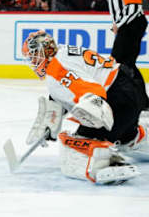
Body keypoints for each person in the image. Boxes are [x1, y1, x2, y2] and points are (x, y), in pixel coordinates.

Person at [21, 30, 146, 184]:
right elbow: (70, 87)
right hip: (131, 88)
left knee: (76, 143)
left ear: (44, 51)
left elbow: (93, 92)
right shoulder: (63, 51)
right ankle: (133, 136)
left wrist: (94, 129)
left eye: (34, 56)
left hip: (118, 100)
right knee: (124, 134)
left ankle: (105, 164)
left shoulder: (56, 70)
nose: (33, 62)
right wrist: (51, 120)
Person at [102, 0, 149, 107]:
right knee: (126, 64)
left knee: (116, 62)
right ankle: (142, 102)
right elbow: (113, 3)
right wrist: (116, 22)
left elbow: (134, 4)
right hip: (125, 24)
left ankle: (122, 99)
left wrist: (119, 24)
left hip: (134, 23)